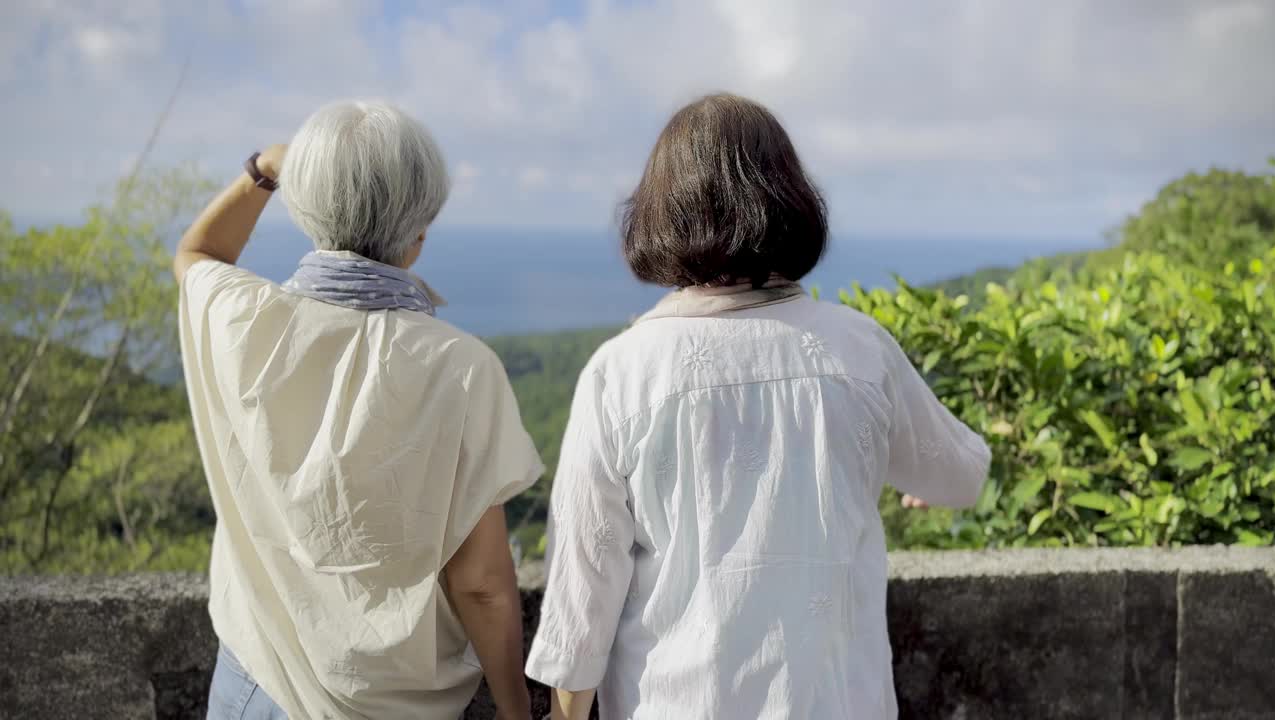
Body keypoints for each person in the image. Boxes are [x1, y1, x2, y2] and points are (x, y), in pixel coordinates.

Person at [525, 93, 991, 719]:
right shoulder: (859, 349)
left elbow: (581, 602)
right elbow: (960, 476)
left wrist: (563, 714)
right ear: (789, 202)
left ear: (662, 213)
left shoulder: (622, 372)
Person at [175, 101, 543, 720]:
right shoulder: (462, 368)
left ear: (304, 210)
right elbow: (481, 583)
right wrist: (513, 708)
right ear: (418, 237)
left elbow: (197, 253)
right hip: (393, 704)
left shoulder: (243, 319)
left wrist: (265, 168)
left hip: (252, 684)